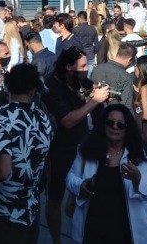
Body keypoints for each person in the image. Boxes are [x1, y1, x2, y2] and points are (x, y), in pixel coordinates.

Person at [66, 104, 147, 243]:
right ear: (103, 124)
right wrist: (81, 185)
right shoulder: (87, 150)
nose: (115, 127)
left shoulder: (136, 154)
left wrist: (137, 179)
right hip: (93, 227)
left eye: (120, 125)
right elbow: (70, 178)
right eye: (110, 122)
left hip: (125, 230)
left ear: (127, 129)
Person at [0, 64, 54, 244]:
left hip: (4, 211)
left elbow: (3, 171)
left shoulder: (1, 118)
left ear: (8, 87)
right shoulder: (43, 118)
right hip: (31, 208)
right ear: (33, 90)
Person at [42, 47, 109, 244]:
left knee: (86, 188)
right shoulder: (52, 86)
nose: (86, 69)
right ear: (68, 67)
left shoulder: (82, 81)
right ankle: (56, 240)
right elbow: (67, 121)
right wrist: (94, 101)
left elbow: (97, 113)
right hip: (59, 148)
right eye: (82, 66)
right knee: (55, 196)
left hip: (82, 144)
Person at [90, 45, 136, 109]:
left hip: (95, 111)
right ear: (129, 59)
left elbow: (89, 93)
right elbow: (126, 107)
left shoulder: (97, 69)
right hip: (115, 113)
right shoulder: (127, 77)